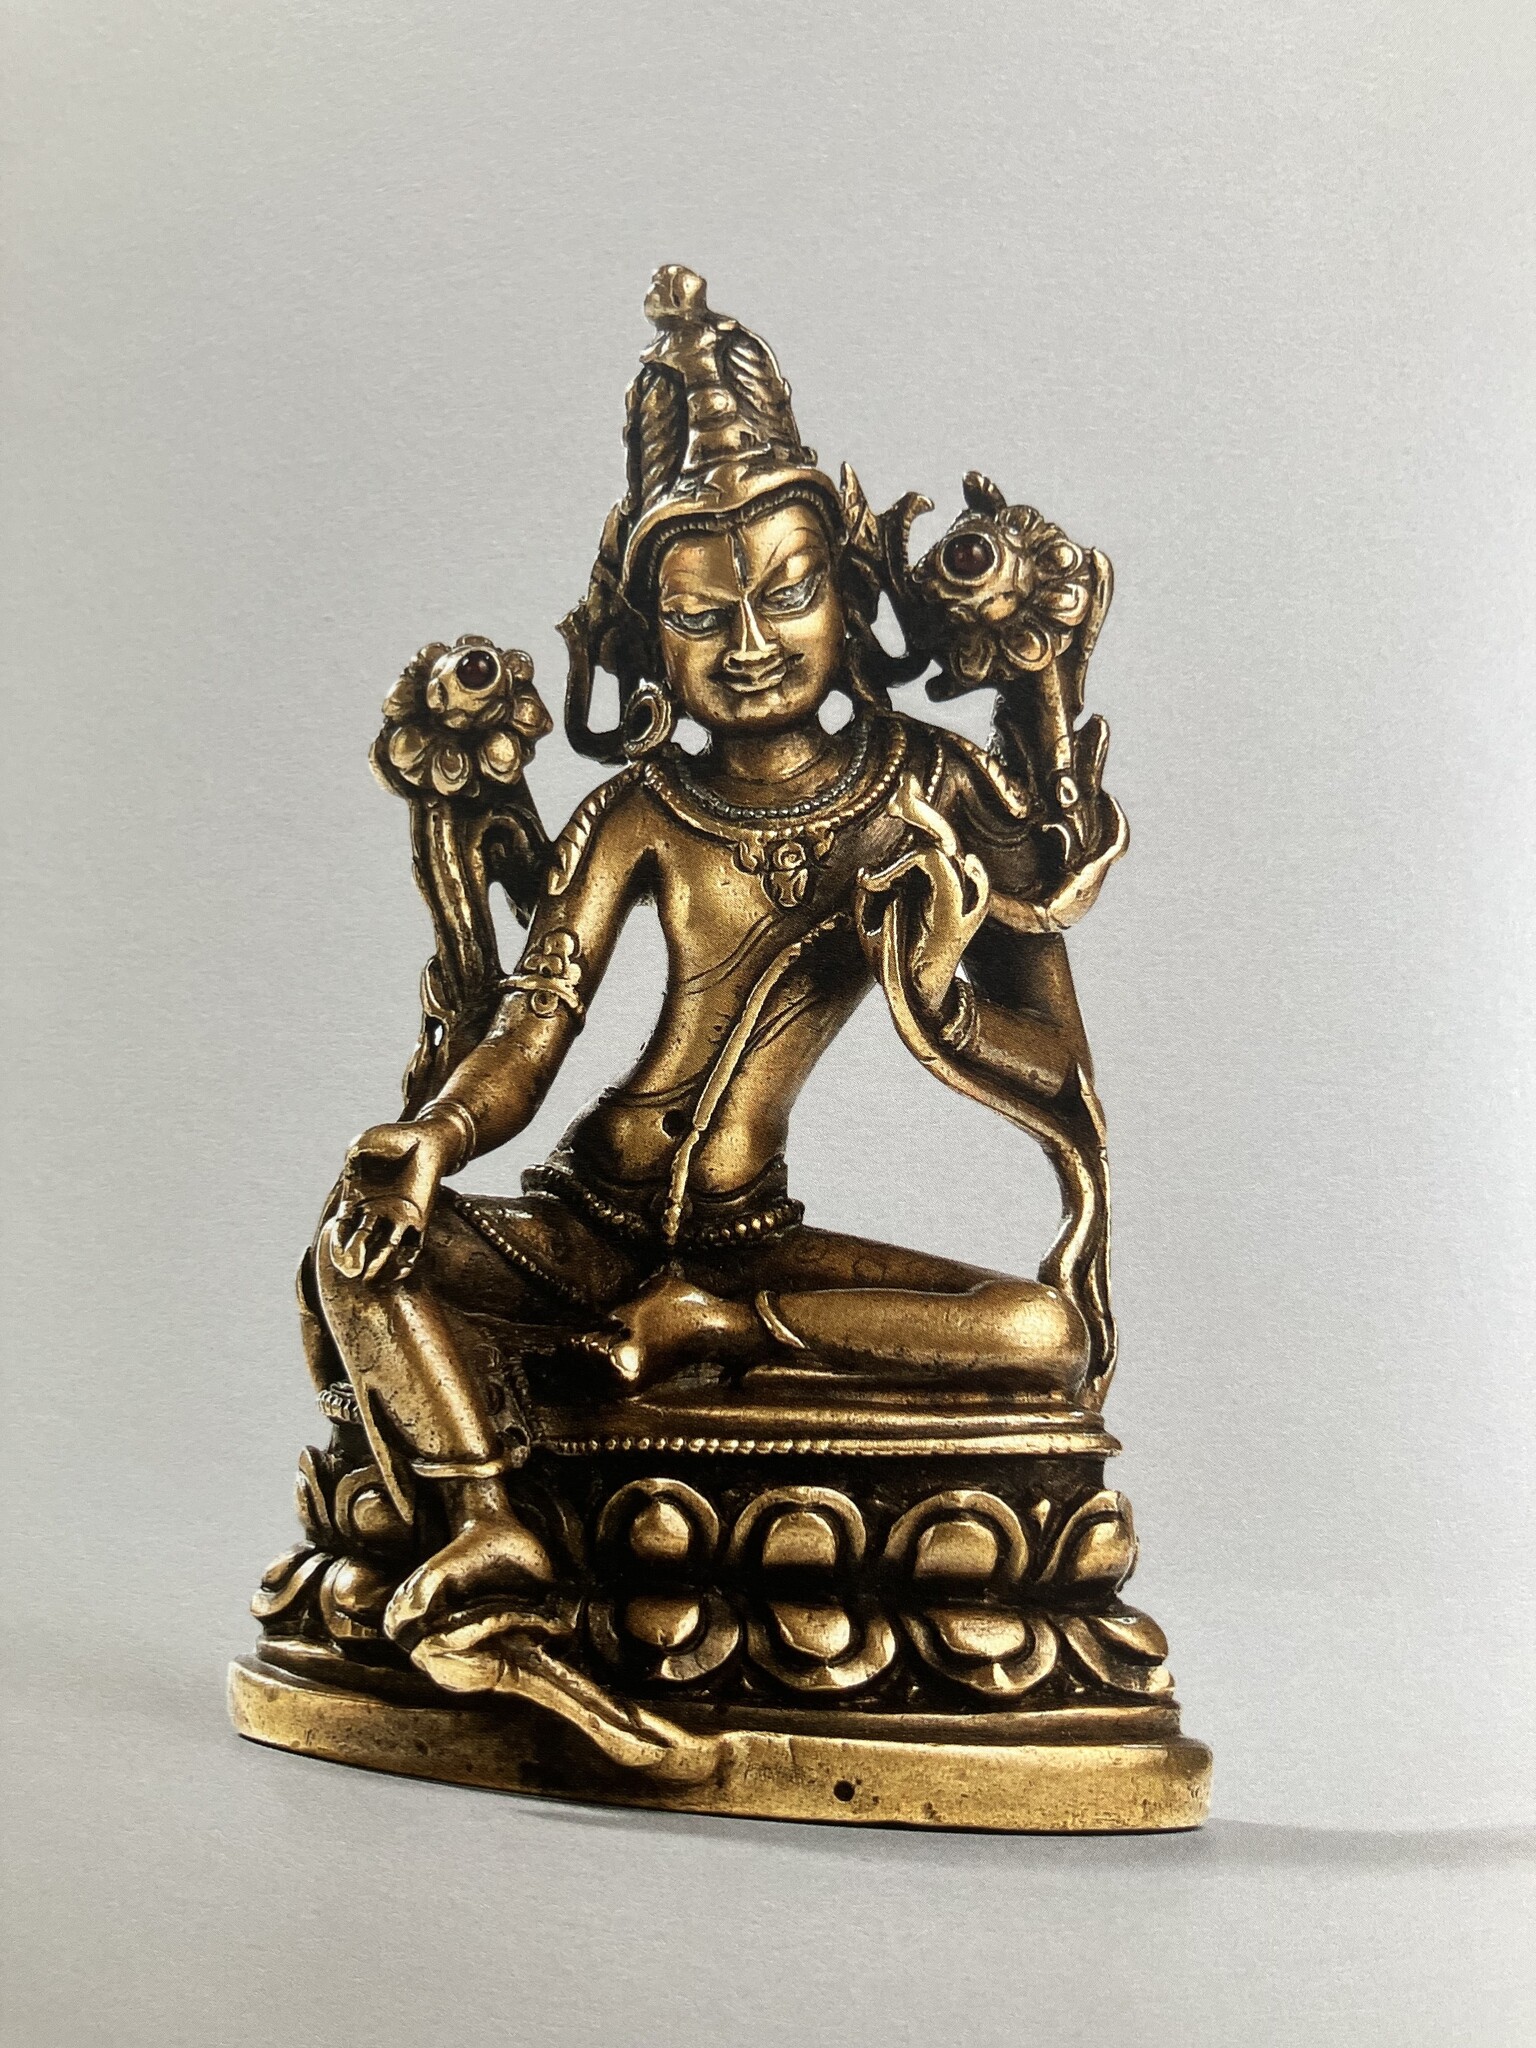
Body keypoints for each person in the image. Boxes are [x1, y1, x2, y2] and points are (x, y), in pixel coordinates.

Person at [308, 268, 1119, 1659]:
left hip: (749, 1239)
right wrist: (431, 1140)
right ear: (644, 647)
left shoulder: (928, 789)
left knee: (1044, 1333)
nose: (750, 647)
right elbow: (534, 1030)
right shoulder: (639, 811)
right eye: (700, 619)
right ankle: (488, 1517)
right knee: (356, 1243)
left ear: (849, 601)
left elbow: (1062, 1075)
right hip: (592, 1222)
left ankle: (705, 1331)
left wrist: (938, 1007)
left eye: (789, 595)